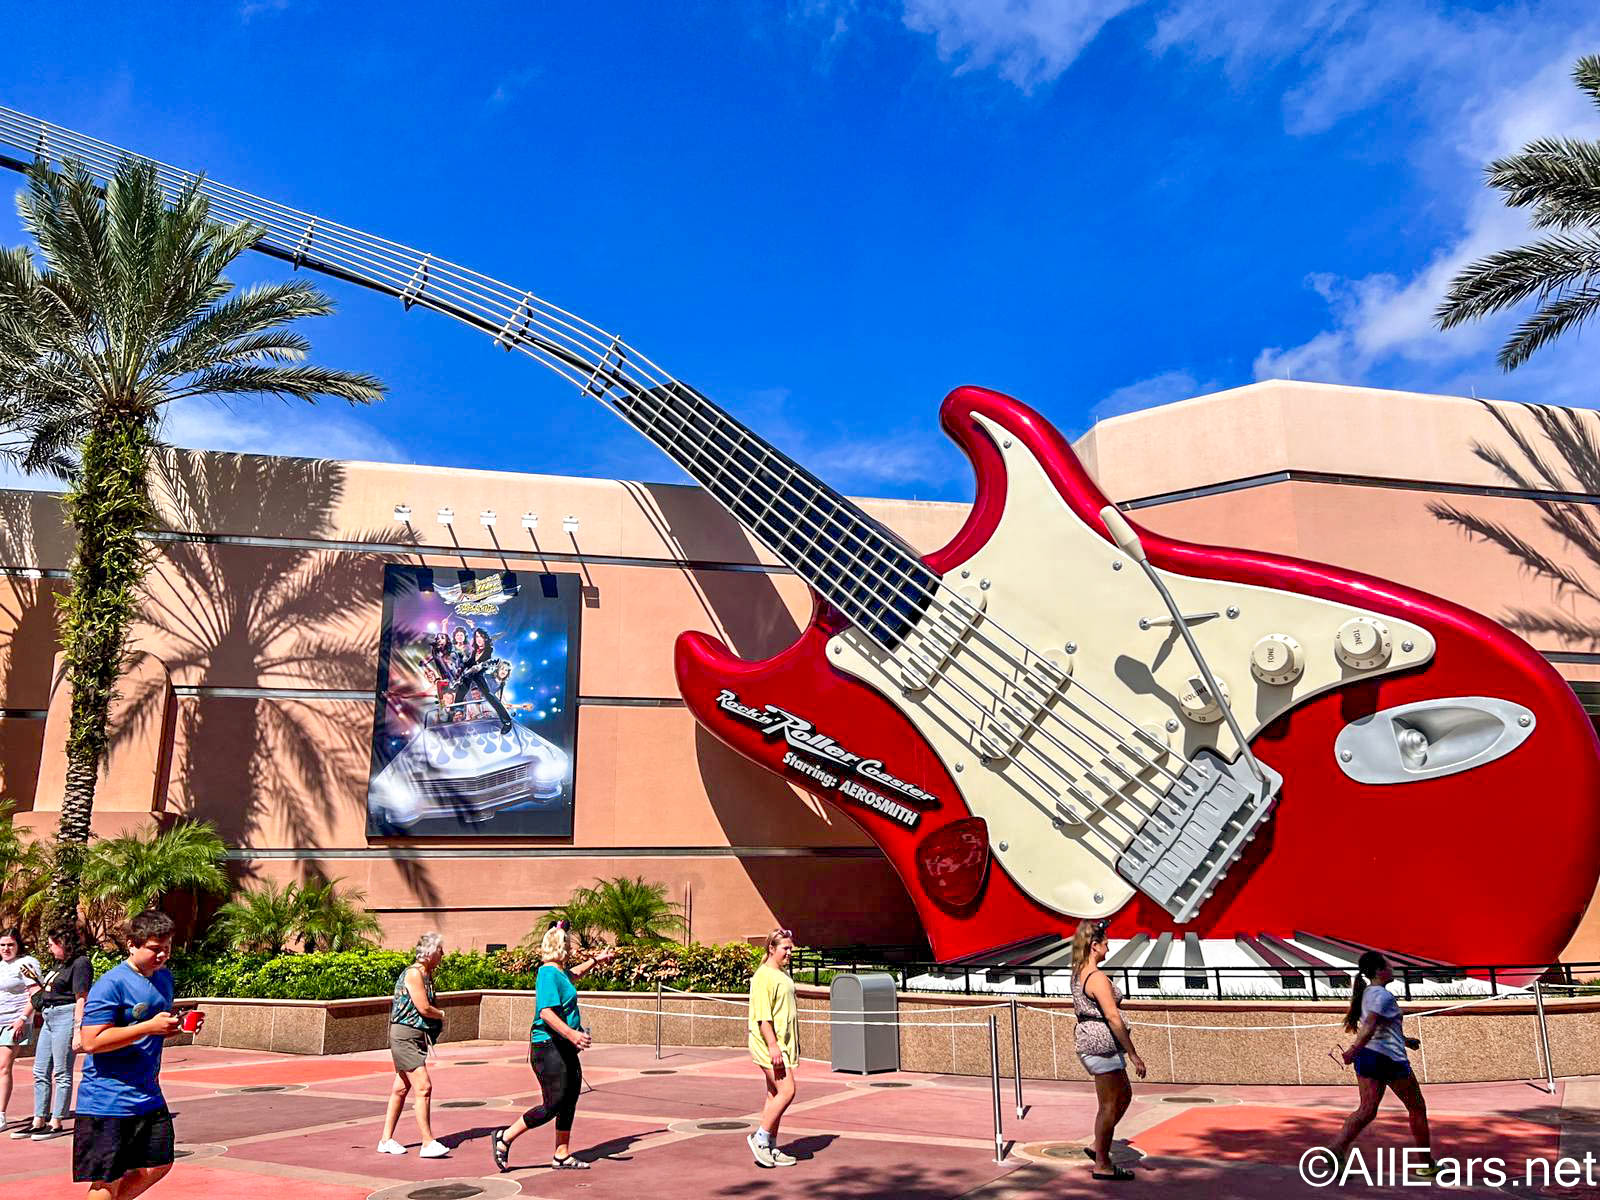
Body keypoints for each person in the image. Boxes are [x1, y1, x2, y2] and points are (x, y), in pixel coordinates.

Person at [73, 909, 200, 1200]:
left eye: (167, 948)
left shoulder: (163, 978)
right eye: (155, 949)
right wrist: (148, 1027)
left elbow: (150, 1027)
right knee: (108, 1180)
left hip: (147, 1094)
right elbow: (90, 1041)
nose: (162, 955)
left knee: (159, 1162)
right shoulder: (111, 984)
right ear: (132, 944)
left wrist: (174, 1026)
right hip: (108, 1099)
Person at [492, 923, 614, 1172]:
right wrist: (573, 1035)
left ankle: (562, 1154)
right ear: (562, 947)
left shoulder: (559, 973)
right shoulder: (547, 973)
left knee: (569, 1098)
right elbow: (546, 1013)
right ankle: (504, 1137)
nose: (570, 950)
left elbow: (574, 975)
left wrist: (595, 960)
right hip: (547, 1046)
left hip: (563, 1046)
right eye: (568, 945)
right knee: (554, 1103)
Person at [1331, 951, 1436, 1178]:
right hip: (1388, 1060)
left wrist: (1405, 1040)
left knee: (1367, 1110)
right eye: (1389, 965)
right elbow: (1368, 1027)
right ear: (1379, 971)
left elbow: (1379, 1027)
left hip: (1369, 1058)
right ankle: (1427, 1164)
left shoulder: (1368, 993)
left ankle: (1336, 1149)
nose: (1393, 968)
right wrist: (1351, 1051)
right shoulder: (1382, 996)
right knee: (1417, 1107)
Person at [1071, 919, 1146, 1182]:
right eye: (1105, 943)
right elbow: (1113, 1017)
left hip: (1099, 1046)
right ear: (1094, 946)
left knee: (1123, 1095)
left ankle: (1097, 1144)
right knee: (1109, 1105)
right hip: (1101, 1047)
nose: (1109, 948)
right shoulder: (1097, 978)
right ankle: (1102, 1162)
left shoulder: (1080, 971)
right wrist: (1134, 1054)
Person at [16, 924, 92, 1141]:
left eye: (52, 945)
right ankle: (38, 1119)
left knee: (61, 1071)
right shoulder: (59, 965)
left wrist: (78, 1029)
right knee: (40, 1070)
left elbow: (81, 997)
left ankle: (57, 1120)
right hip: (49, 1016)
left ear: (64, 943)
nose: (50, 949)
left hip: (65, 1017)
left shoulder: (80, 963)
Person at [377, 932, 449, 1158]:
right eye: (439, 950)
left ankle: (385, 1140)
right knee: (424, 1087)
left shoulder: (427, 974)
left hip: (415, 1036)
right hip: (405, 1036)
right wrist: (441, 1014)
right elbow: (424, 1008)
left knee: (400, 1089)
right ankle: (428, 1142)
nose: (442, 954)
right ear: (428, 953)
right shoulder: (414, 974)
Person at [746, 928, 800, 1168]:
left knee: (774, 1094)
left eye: (790, 948)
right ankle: (759, 1138)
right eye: (785, 948)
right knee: (787, 1090)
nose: (789, 952)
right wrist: (773, 1046)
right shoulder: (763, 977)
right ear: (771, 948)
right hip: (768, 1045)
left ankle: (770, 1145)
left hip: (782, 1044)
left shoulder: (782, 974)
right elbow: (763, 1018)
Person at [0, 928, 42, 1130]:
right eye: (2, 945)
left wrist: (23, 1019)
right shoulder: (0, 966)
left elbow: (36, 993)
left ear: (18, 945)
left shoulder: (26, 963)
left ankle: (1, 1115)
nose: (6, 949)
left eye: (10, 944)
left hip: (14, 1022)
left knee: (3, 1067)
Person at [451, 629, 514, 735]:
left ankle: (507, 721)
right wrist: (461, 670)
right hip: (470, 674)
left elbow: (485, 662)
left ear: (485, 638)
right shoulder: (475, 650)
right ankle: (457, 714)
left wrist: (481, 665)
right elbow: (468, 664)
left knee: (489, 695)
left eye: (480, 636)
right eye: (476, 637)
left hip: (479, 674)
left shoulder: (488, 649)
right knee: (461, 691)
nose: (478, 639)